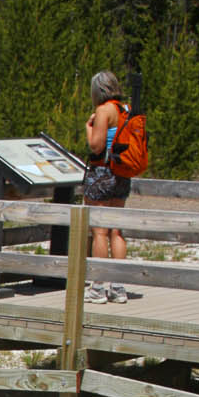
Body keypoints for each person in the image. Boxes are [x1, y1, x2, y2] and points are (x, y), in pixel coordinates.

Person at [82, 70, 130, 260]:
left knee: (100, 232)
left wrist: (88, 129)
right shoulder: (126, 109)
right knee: (115, 231)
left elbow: (96, 146)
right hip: (122, 172)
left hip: (103, 172)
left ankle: (100, 283)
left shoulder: (104, 111)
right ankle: (117, 281)